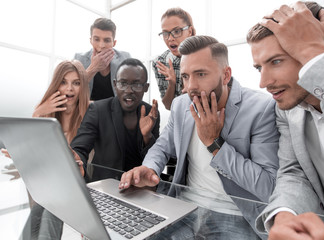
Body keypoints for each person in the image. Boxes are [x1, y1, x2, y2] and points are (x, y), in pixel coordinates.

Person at [120, 35, 279, 239]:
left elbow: (268, 186)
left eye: (201, 74)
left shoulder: (260, 108)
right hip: (185, 205)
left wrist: (215, 144)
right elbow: (162, 146)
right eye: (185, 76)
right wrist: (149, 167)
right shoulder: (181, 105)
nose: (190, 87)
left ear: (226, 75)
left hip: (236, 213)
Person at [246, 1, 324, 239]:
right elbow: (295, 171)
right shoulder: (286, 108)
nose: (263, 82)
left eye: (276, 61)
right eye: (259, 67)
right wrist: (285, 214)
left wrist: (315, 50)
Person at [13, 60, 89, 239]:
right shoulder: (45, 114)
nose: (69, 89)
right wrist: (37, 113)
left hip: (78, 186)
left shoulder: (91, 114)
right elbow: (32, 154)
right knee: (44, 208)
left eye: (76, 83)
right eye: (63, 82)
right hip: (47, 187)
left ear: (82, 86)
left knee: (49, 207)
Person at [71, 58, 160, 182]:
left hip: (139, 188)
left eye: (136, 84)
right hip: (104, 186)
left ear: (146, 87)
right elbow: (80, 148)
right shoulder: (98, 109)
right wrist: (77, 162)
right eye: (123, 83)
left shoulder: (151, 113)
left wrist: (147, 136)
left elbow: (155, 159)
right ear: (114, 84)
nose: (129, 90)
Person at [74, 17, 131, 101]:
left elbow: (131, 92)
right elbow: (71, 91)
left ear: (113, 43)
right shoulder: (78, 59)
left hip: (116, 111)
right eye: (96, 39)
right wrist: (93, 68)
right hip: (87, 111)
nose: (101, 45)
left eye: (107, 40)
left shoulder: (125, 59)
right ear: (91, 40)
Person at [152, 7, 196, 110]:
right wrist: (172, 83)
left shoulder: (204, 55)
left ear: (189, 31)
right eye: (165, 33)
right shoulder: (161, 62)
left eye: (176, 31)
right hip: (179, 118)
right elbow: (168, 106)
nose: (170, 38)